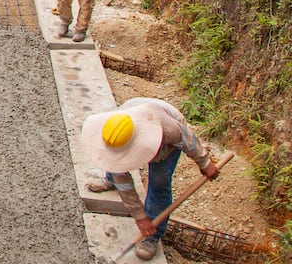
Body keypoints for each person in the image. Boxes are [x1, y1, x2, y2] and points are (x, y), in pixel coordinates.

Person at [82, 98, 220, 261]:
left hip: (167, 137)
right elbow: (125, 185)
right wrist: (139, 216)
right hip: (135, 113)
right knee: (116, 164)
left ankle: (152, 236)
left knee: (159, 183)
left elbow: (187, 139)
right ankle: (111, 179)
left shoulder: (167, 129)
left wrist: (204, 163)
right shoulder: (115, 127)